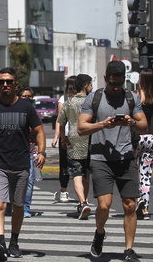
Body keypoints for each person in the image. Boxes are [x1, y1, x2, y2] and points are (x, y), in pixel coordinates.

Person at [0, 68, 46, 261]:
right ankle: (1, 242)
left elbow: (39, 130)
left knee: (18, 206)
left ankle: (14, 242)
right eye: (2, 82)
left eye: (9, 81)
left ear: (15, 84)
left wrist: (41, 152)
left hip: (22, 164)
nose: (6, 84)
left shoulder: (26, 107)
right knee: (0, 204)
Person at [77, 60, 147, 262]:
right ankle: (99, 233)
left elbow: (144, 127)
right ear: (106, 78)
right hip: (100, 159)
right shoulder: (95, 97)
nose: (116, 88)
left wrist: (131, 122)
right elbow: (81, 128)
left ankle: (128, 250)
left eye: (119, 84)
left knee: (129, 205)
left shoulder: (131, 98)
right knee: (104, 205)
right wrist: (102, 125)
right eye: (112, 84)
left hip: (125, 158)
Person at [58, 74, 93, 220]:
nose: (92, 87)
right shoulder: (91, 103)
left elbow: (61, 123)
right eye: (91, 84)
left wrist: (63, 139)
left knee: (76, 174)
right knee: (86, 173)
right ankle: (84, 200)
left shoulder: (69, 103)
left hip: (74, 140)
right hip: (90, 140)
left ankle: (82, 202)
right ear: (86, 86)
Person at [134, 68, 153, 220]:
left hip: (137, 137)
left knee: (133, 170)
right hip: (149, 137)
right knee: (146, 174)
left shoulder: (138, 95)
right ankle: (145, 208)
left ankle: (137, 200)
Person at [52, 75, 77, 203]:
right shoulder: (84, 98)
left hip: (66, 134)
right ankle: (82, 194)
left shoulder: (63, 98)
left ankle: (64, 191)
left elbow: (60, 120)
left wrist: (58, 136)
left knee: (64, 164)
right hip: (80, 135)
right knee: (80, 165)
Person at [18, 87, 37, 218]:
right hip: (14, 152)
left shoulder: (34, 113)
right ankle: (10, 204)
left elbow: (39, 132)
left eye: (29, 96)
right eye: (24, 96)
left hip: (29, 152)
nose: (27, 99)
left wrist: (41, 152)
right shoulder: (14, 111)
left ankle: (25, 207)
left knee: (30, 181)